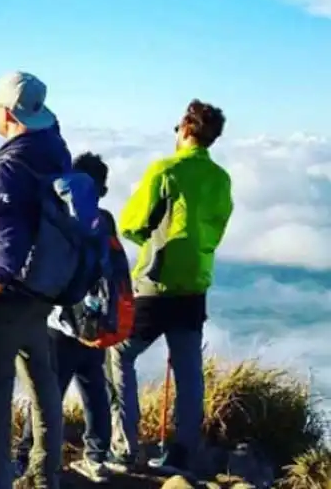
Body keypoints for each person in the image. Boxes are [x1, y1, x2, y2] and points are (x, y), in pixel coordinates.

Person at [106, 99, 234, 476]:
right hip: (195, 285)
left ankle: (124, 449)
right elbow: (217, 228)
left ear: (184, 129)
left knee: (119, 354)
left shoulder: (165, 170)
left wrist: (149, 236)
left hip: (156, 284)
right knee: (189, 371)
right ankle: (181, 454)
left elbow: (130, 223)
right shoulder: (221, 179)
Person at [0, 71, 71, 489]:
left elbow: (8, 245)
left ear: (6, 112)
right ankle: (46, 477)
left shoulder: (6, 169)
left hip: (4, 302)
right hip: (43, 294)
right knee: (43, 387)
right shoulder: (57, 153)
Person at [14, 152, 117, 484]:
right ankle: (98, 455)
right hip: (95, 322)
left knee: (46, 394)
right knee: (95, 389)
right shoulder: (106, 221)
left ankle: (28, 456)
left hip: (61, 323)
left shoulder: (64, 220)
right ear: (101, 189)